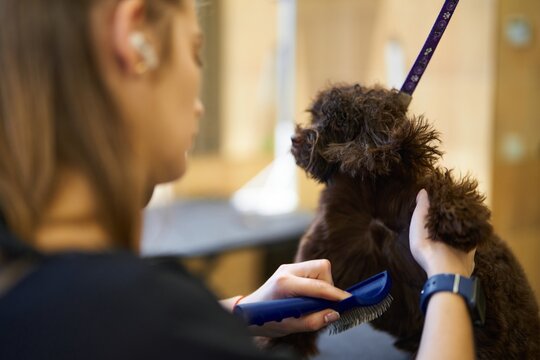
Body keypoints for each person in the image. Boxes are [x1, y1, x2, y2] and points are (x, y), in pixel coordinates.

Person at [0, 0, 476, 359]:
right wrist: (450, 281)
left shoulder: (35, 295)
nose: (199, 98)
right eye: (195, 53)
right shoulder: (150, 319)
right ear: (134, 41)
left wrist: (242, 314)